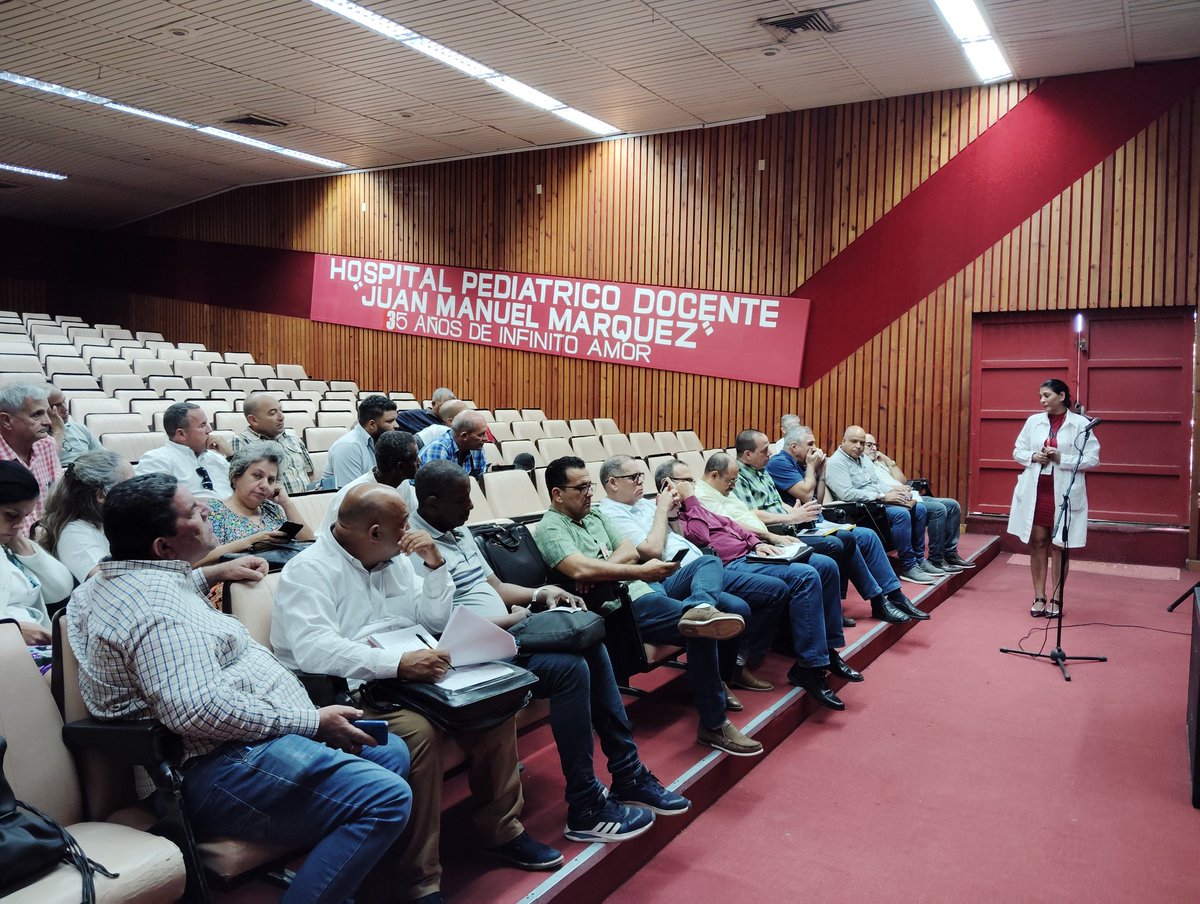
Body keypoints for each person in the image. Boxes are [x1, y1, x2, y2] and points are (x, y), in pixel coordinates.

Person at [66, 473, 413, 904]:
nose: (209, 510)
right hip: (217, 765)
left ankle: (335, 882)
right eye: (193, 512)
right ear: (164, 546)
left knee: (388, 751)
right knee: (385, 798)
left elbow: (162, 586)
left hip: (241, 747)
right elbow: (196, 711)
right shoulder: (157, 615)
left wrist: (214, 570)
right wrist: (311, 721)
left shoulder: (119, 579)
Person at [273, 484, 563, 903]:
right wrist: (397, 664)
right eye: (402, 526)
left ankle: (500, 831)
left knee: (493, 706)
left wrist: (434, 565)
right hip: (349, 688)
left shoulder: (395, 558)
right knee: (417, 734)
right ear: (374, 533)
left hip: (413, 670)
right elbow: (313, 649)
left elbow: (433, 618)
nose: (411, 532)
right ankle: (417, 879)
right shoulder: (309, 571)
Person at [408, 461, 689, 841]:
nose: (471, 509)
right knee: (572, 664)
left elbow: (496, 589)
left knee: (587, 643)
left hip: (506, 630)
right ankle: (588, 802)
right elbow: (437, 625)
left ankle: (627, 774)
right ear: (432, 502)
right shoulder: (416, 548)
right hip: (472, 648)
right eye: (462, 500)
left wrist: (541, 594)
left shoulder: (456, 530)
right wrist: (512, 620)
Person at [535, 455, 762, 757]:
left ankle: (700, 607)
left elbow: (629, 549)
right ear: (557, 493)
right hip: (618, 607)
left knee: (707, 569)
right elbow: (579, 571)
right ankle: (714, 723)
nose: (590, 493)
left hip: (643, 593)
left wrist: (599, 567)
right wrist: (625, 570)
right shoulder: (550, 528)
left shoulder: (595, 515)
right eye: (582, 488)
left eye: (590, 486)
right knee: (700, 629)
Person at [656, 459, 861, 710]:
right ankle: (811, 665)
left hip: (750, 554)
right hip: (727, 564)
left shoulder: (698, 505)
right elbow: (699, 537)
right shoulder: (674, 511)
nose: (692, 485)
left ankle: (827, 651)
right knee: (805, 576)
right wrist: (690, 501)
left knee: (825, 565)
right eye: (685, 481)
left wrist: (756, 542)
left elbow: (729, 524)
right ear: (667, 485)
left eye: (691, 479)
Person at [595, 453, 790, 693]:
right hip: (668, 575)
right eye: (634, 477)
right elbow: (653, 551)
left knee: (739, 608)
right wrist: (661, 510)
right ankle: (701, 612)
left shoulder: (644, 504)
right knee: (711, 564)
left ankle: (726, 675)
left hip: (693, 569)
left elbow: (685, 538)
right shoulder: (612, 513)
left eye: (641, 476)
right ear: (613, 483)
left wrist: (674, 515)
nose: (640, 482)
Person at [762, 428, 927, 622]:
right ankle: (877, 601)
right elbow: (806, 495)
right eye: (810, 444)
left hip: (815, 521)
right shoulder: (779, 463)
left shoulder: (800, 463)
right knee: (847, 540)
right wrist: (812, 467)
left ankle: (894, 595)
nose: (815, 448)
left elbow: (817, 501)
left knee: (867, 536)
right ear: (793, 446)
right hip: (794, 527)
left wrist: (821, 474)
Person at [1006, 378, 1100, 618]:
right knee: (1037, 541)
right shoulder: (1033, 422)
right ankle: (1039, 596)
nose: (1042, 401)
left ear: (1061, 396)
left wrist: (1061, 458)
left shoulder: (1081, 424)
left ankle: (1057, 598)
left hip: (1063, 492)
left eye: (1046, 395)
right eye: (1040, 396)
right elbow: (1017, 451)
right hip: (1036, 491)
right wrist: (1033, 456)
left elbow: (1092, 458)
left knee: (1059, 546)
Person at [825, 426, 942, 585]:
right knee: (901, 514)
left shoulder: (863, 458)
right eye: (854, 442)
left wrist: (897, 490)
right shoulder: (836, 462)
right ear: (843, 441)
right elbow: (847, 494)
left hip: (878, 500)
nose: (859, 446)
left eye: (861, 442)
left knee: (919, 508)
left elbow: (876, 483)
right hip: (861, 508)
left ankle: (919, 560)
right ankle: (908, 566)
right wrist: (882, 496)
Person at [0, 460, 74, 671]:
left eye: (24, 516)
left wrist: (18, 541)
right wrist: (12, 630)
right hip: (10, 654)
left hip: (32, 647)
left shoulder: (7, 546)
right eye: (11, 515)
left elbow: (60, 589)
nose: (19, 525)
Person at [863, 432, 973, 572]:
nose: (873, 448)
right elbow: (876, 487)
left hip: (912, 495)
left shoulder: (879, 462)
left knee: (953, 505)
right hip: (898, 499)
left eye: (875, 445)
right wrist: (896, 489)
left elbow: (902, 480)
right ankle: (936, 560)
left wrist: (887, 460)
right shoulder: (863, 465)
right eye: (869, 445)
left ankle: (950, 554)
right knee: (939, 509)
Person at [198, 441, 315, 565]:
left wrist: (287, 504)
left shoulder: (273, 509)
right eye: (257, 476)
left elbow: (310, 545)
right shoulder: (213, 512)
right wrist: (253, 541)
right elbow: (198, 562)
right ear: (235, 477)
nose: (264, 485)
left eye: (271, 480)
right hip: (237, 582)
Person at [38, 449, 132, 582]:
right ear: (101, 496)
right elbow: (109, 584)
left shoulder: (110, 520)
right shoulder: (74, 535)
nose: (136, 489)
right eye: (129, 485)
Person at [319, 430, 420, 533]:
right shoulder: (352, 497)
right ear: (400, 467)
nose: (419, 461)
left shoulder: (402, 483)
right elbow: (339, 539)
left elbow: (412, 522)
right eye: (415, 458)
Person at [135, 402, 232, 499]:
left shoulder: (216, 457)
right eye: (202, 425)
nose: (209, 429)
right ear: (181, 434)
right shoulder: (156, 460)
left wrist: (231, 456)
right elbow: (148, 503)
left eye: (207, 423)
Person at [0, 382, 62, 534]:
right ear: (6, 420)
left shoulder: (46, 444)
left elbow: (57, 502)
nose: (48, 421)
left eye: (47, 413)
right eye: (37, 414)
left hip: (48, 540)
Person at [233, 392, 315, 494]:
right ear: (253, 420)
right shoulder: (240, 443)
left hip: (307, 503)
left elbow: (310, 475)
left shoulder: (293, 439)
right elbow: (238, 486)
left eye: (280, 410)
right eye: (272, 413)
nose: (281, 417)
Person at [322, 394, 399, 489]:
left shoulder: (383, 443)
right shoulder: (348, 447)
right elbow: (352, 495)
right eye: (390, 421)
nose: (396, 425)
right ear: (372, 425)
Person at [418, 409, 489, 477]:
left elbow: (479, 480)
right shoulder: (439, 448)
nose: (486, 439)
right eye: (480, 435)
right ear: (464, 436)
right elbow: (438, 486)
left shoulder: (476, 447)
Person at [47, 385, 101, 466]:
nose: (65, 409)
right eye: (56, 405)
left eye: (64, 401)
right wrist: (58, 430)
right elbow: (47, 468)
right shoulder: (36, 437)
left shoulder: (79, 429)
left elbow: (104, 458)